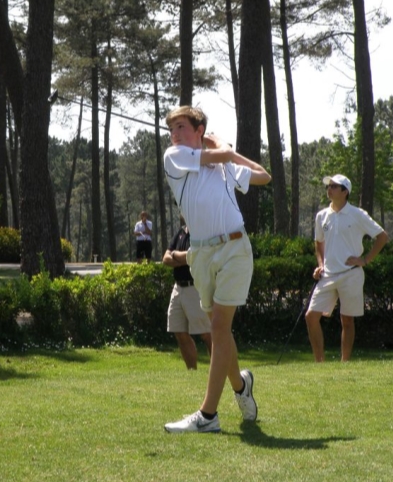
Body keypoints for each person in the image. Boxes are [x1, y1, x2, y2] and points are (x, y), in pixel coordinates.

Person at [162, 105, 271, 433]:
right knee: (218, 329)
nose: (174, 135)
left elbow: (263, 175)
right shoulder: (174, 157)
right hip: (202, 255)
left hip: (235, 248)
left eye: (181, 127)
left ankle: (207, 416)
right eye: (172, 129)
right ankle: (240, 385)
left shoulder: (223, 164)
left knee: (219, 328)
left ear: (199, 130)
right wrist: (222, 148)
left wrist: (225, 149)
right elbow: (216, 157)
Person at [305, 174, 388, 363]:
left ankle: (345, 363)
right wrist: (320, 265)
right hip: (327, 275)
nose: (330, 189)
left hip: (351, 274)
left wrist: (365, 260)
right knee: (311, 317)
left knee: (347, 321)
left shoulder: (357, 214)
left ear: (345, 192)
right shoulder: (321, 216)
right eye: (329, 186)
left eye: (334, 186)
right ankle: (320, 363)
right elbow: (319, 243)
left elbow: (382, 236)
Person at [162, 220, 212, 370]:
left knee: (206, 334)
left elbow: (195, 256)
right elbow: (165, 258)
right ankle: (192, 371)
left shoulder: (201, 231)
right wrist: (182, 257)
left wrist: (175, 255)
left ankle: (217, 370)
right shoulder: (181, 232)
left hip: (195, 288)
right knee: (179, 332)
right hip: (178, 288)